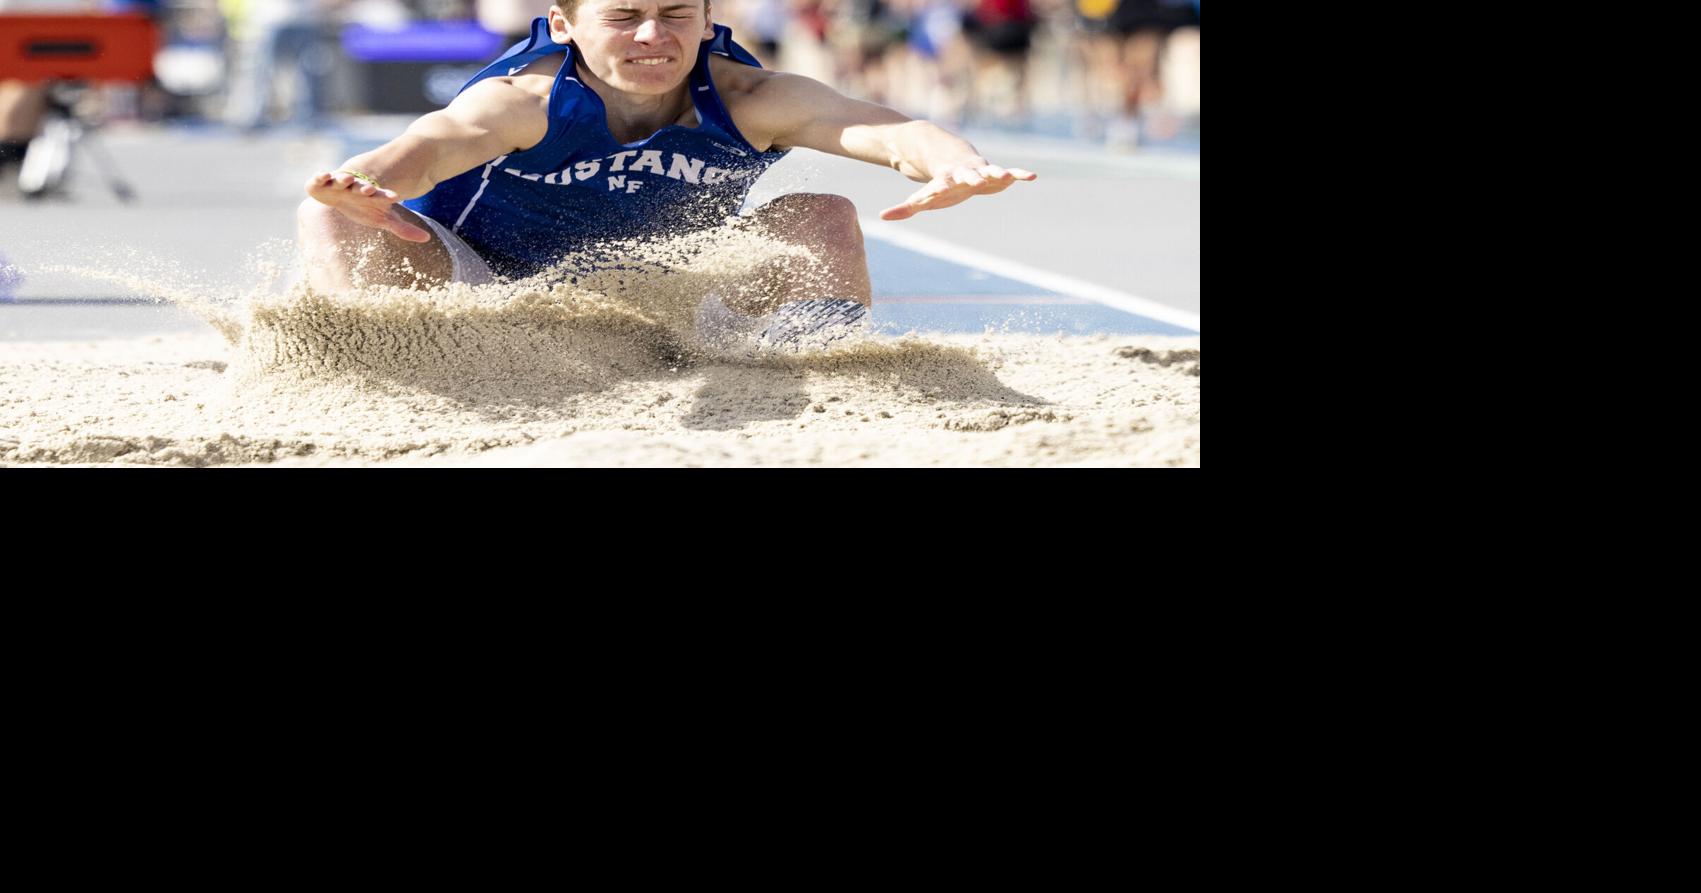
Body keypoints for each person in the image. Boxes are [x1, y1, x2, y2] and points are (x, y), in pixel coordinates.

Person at [298, 0, 1036, 349]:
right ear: (563, 25)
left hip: (659, 298)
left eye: (675, 14)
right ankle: (379, 370)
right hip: (482, 296)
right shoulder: (527, 101)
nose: (654, 36)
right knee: (329, 213)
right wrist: (370, 182)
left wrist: (957, 165)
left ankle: (820, 370)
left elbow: (889, 128)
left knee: (823, 215)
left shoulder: (750, 99)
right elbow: (434, 142)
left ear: (708, 21)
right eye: (624, 16)